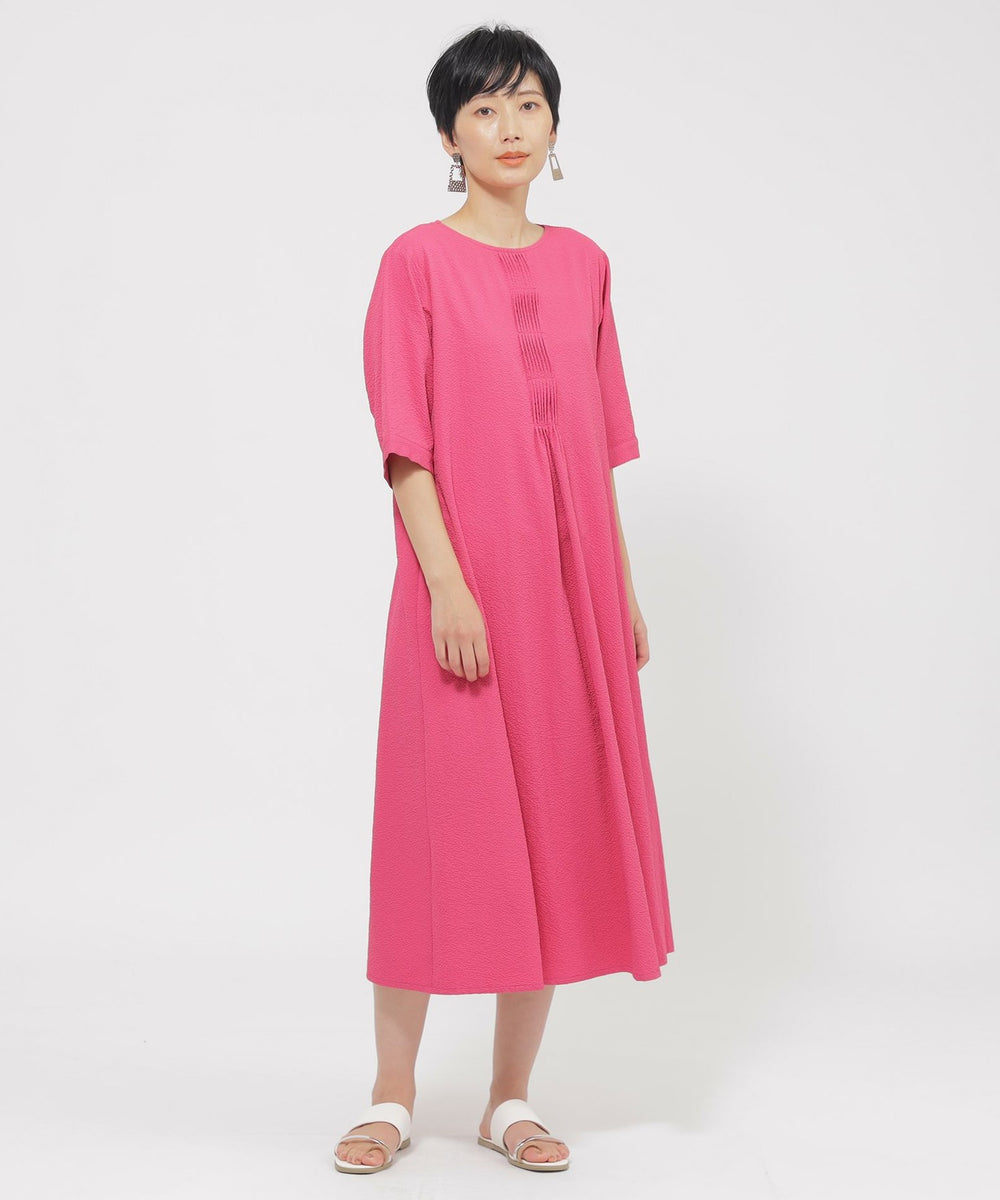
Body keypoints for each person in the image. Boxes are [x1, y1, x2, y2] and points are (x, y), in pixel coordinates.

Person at [334, 23, 675, 1176]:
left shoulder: (585, 264)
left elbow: (596, 449)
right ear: (447, 136)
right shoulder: (414, 264)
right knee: (436, 831)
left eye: (527, 104)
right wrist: (447, 585)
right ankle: (390, 1097)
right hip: (464, 589)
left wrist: (621, 591)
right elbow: (405, 446)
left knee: (547, 826)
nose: (508, 127)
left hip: (571, 599)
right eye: (482, 109)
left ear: (555, 125)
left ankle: (507, 1098)